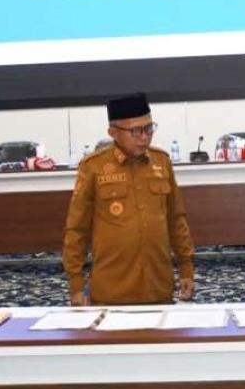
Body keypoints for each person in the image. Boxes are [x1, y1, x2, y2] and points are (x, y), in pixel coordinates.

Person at [62, 92, 195, 305]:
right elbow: (77, 229)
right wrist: (76, 284)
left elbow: (176, 219)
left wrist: (186, 268)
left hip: (158, 287)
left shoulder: (161, 162)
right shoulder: (93, 167)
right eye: (135, 131)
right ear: (113, 132)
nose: (144, 137)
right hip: (111, 291)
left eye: (149, 128)